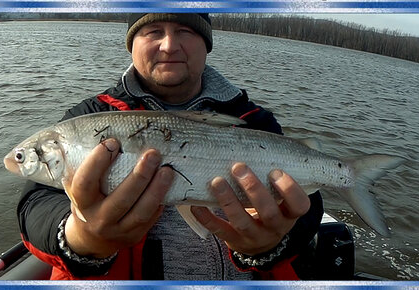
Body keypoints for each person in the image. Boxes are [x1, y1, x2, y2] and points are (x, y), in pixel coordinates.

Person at [17, 13, 324, 280]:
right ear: (131, 43)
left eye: (185, 31)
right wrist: (82, 237)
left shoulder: (255, 121)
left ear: (206, 44)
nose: (168, 45)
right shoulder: (87, 118)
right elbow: (36, 204)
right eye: (152, 32)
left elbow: (308, 203)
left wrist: (272, 243)